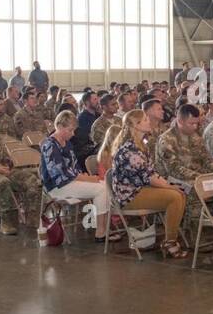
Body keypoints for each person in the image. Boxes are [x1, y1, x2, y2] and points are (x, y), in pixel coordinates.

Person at [110, 109, 189, 258]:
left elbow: (151, 172)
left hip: (141, 189)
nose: (149, 122)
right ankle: (170, 242)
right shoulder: (130, 149)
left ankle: (170, 239)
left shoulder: (141, 144)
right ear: (136, 125)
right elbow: (150, 177)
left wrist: (170, 185)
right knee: (176, 196)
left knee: (180, 193)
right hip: (129, 196)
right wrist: (170, 186)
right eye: (145, 120)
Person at [40, 110, 115, 242]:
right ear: (60, 126)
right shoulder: (49, 145)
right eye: (70, 130)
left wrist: (85, 176)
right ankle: (101, 231)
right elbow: (60, 173)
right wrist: (86, 178)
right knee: (102, 189)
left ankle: (105, 227)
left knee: (105, 185)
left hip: (71, 182)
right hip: (57, 187)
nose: (73, 133)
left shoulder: (67, 143)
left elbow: (75, 167)